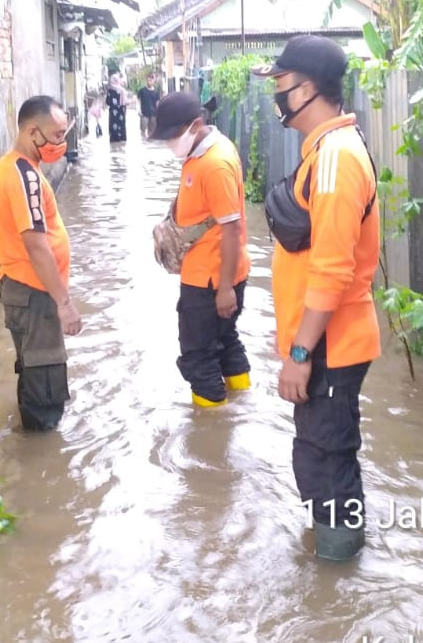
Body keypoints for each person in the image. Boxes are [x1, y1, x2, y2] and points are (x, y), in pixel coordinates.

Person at [252, 35, 380, 562]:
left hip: (330, 344)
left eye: (281, 86)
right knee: (320, 457)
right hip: (325, 341)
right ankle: (334, 561)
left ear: (308, 89)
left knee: (328, 462)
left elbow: (331, 271)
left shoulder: (335, 161)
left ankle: (338, 575)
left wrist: (300, 355)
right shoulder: (325, 153)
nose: (277, 97)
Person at [150, 91, 251, 407]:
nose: (170, 144)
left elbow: (231, 228)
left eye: (172, 136)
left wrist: (224, 289)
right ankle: (241, 406)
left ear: (195, 125)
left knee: (198, 356)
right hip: (218, 274)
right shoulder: (205, 151)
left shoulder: (214, 164)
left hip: (209, 281)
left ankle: (211, 432)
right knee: (225, 341)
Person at [0, 96, 82, 431]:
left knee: (33, 372)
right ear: (33, 133)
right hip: (34, 293)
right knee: (45, 387)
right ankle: (45, 463)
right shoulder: (23, 176)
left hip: (26, 291)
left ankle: (33, 450)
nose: (63, 142)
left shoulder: (18, 167)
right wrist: (64, 303)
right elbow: (35, 244)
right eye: (57, 135)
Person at [106, 72, 128, 142]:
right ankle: (122, 140)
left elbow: (107, 102)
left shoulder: (110, 90)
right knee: (121, 127)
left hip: (113, 112)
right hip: (121, 111)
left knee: (113, 127)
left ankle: (114, 141)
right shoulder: (122, 90)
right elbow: (125, 103)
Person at [137, 72, 160, 137]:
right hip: (144, 113)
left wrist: (159, 112)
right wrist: (139, 110)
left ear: (154, 81)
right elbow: (138, 101)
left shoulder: (156, 92)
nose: (149, 82)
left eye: (151, 80)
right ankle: (144, 144)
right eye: (148, 80)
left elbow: (157, 103)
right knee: (143, 131)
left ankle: (150, 145)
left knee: (152, 131)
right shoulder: (142, 91)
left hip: (153, 114)